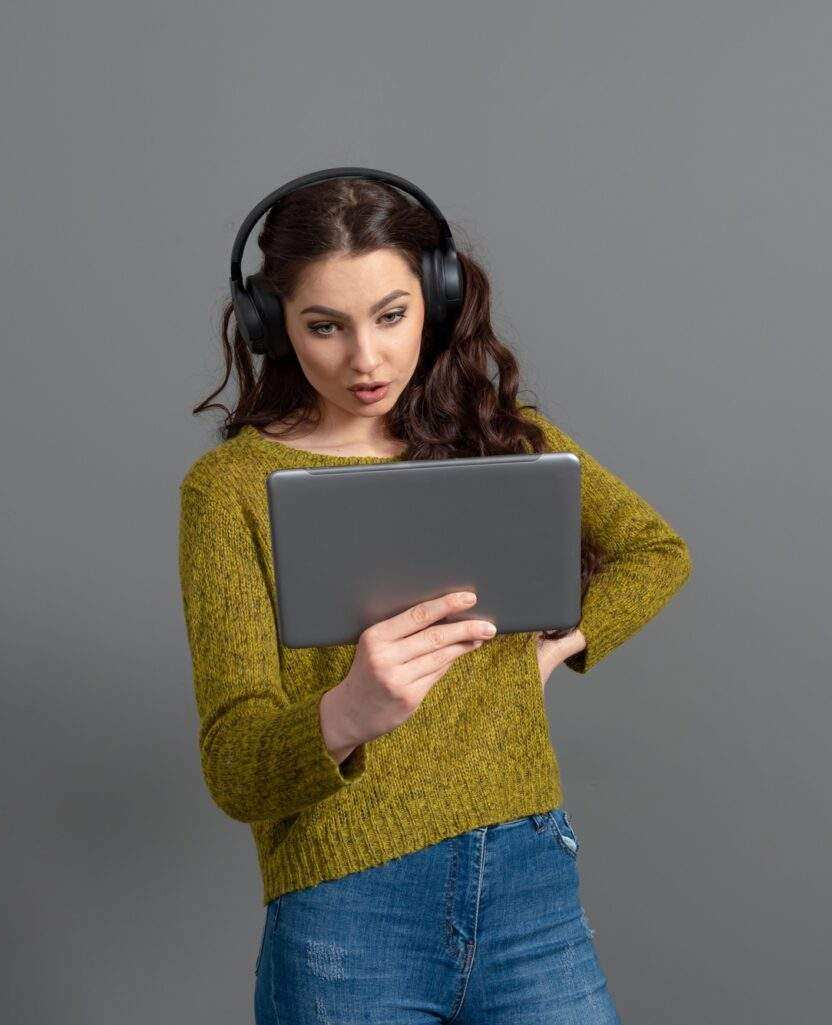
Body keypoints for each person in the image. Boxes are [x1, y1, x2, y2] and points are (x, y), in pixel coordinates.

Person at [176, 171, 691, 1024]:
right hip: (347, 910)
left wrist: (554, 645)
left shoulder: (492, 437)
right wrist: (349, 710)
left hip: (529, 884)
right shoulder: (230, 491)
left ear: (438, 298)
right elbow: (233, 766)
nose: (365, 358)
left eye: (390, 314)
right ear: (273, 325)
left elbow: (653, 551)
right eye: (324, 326)